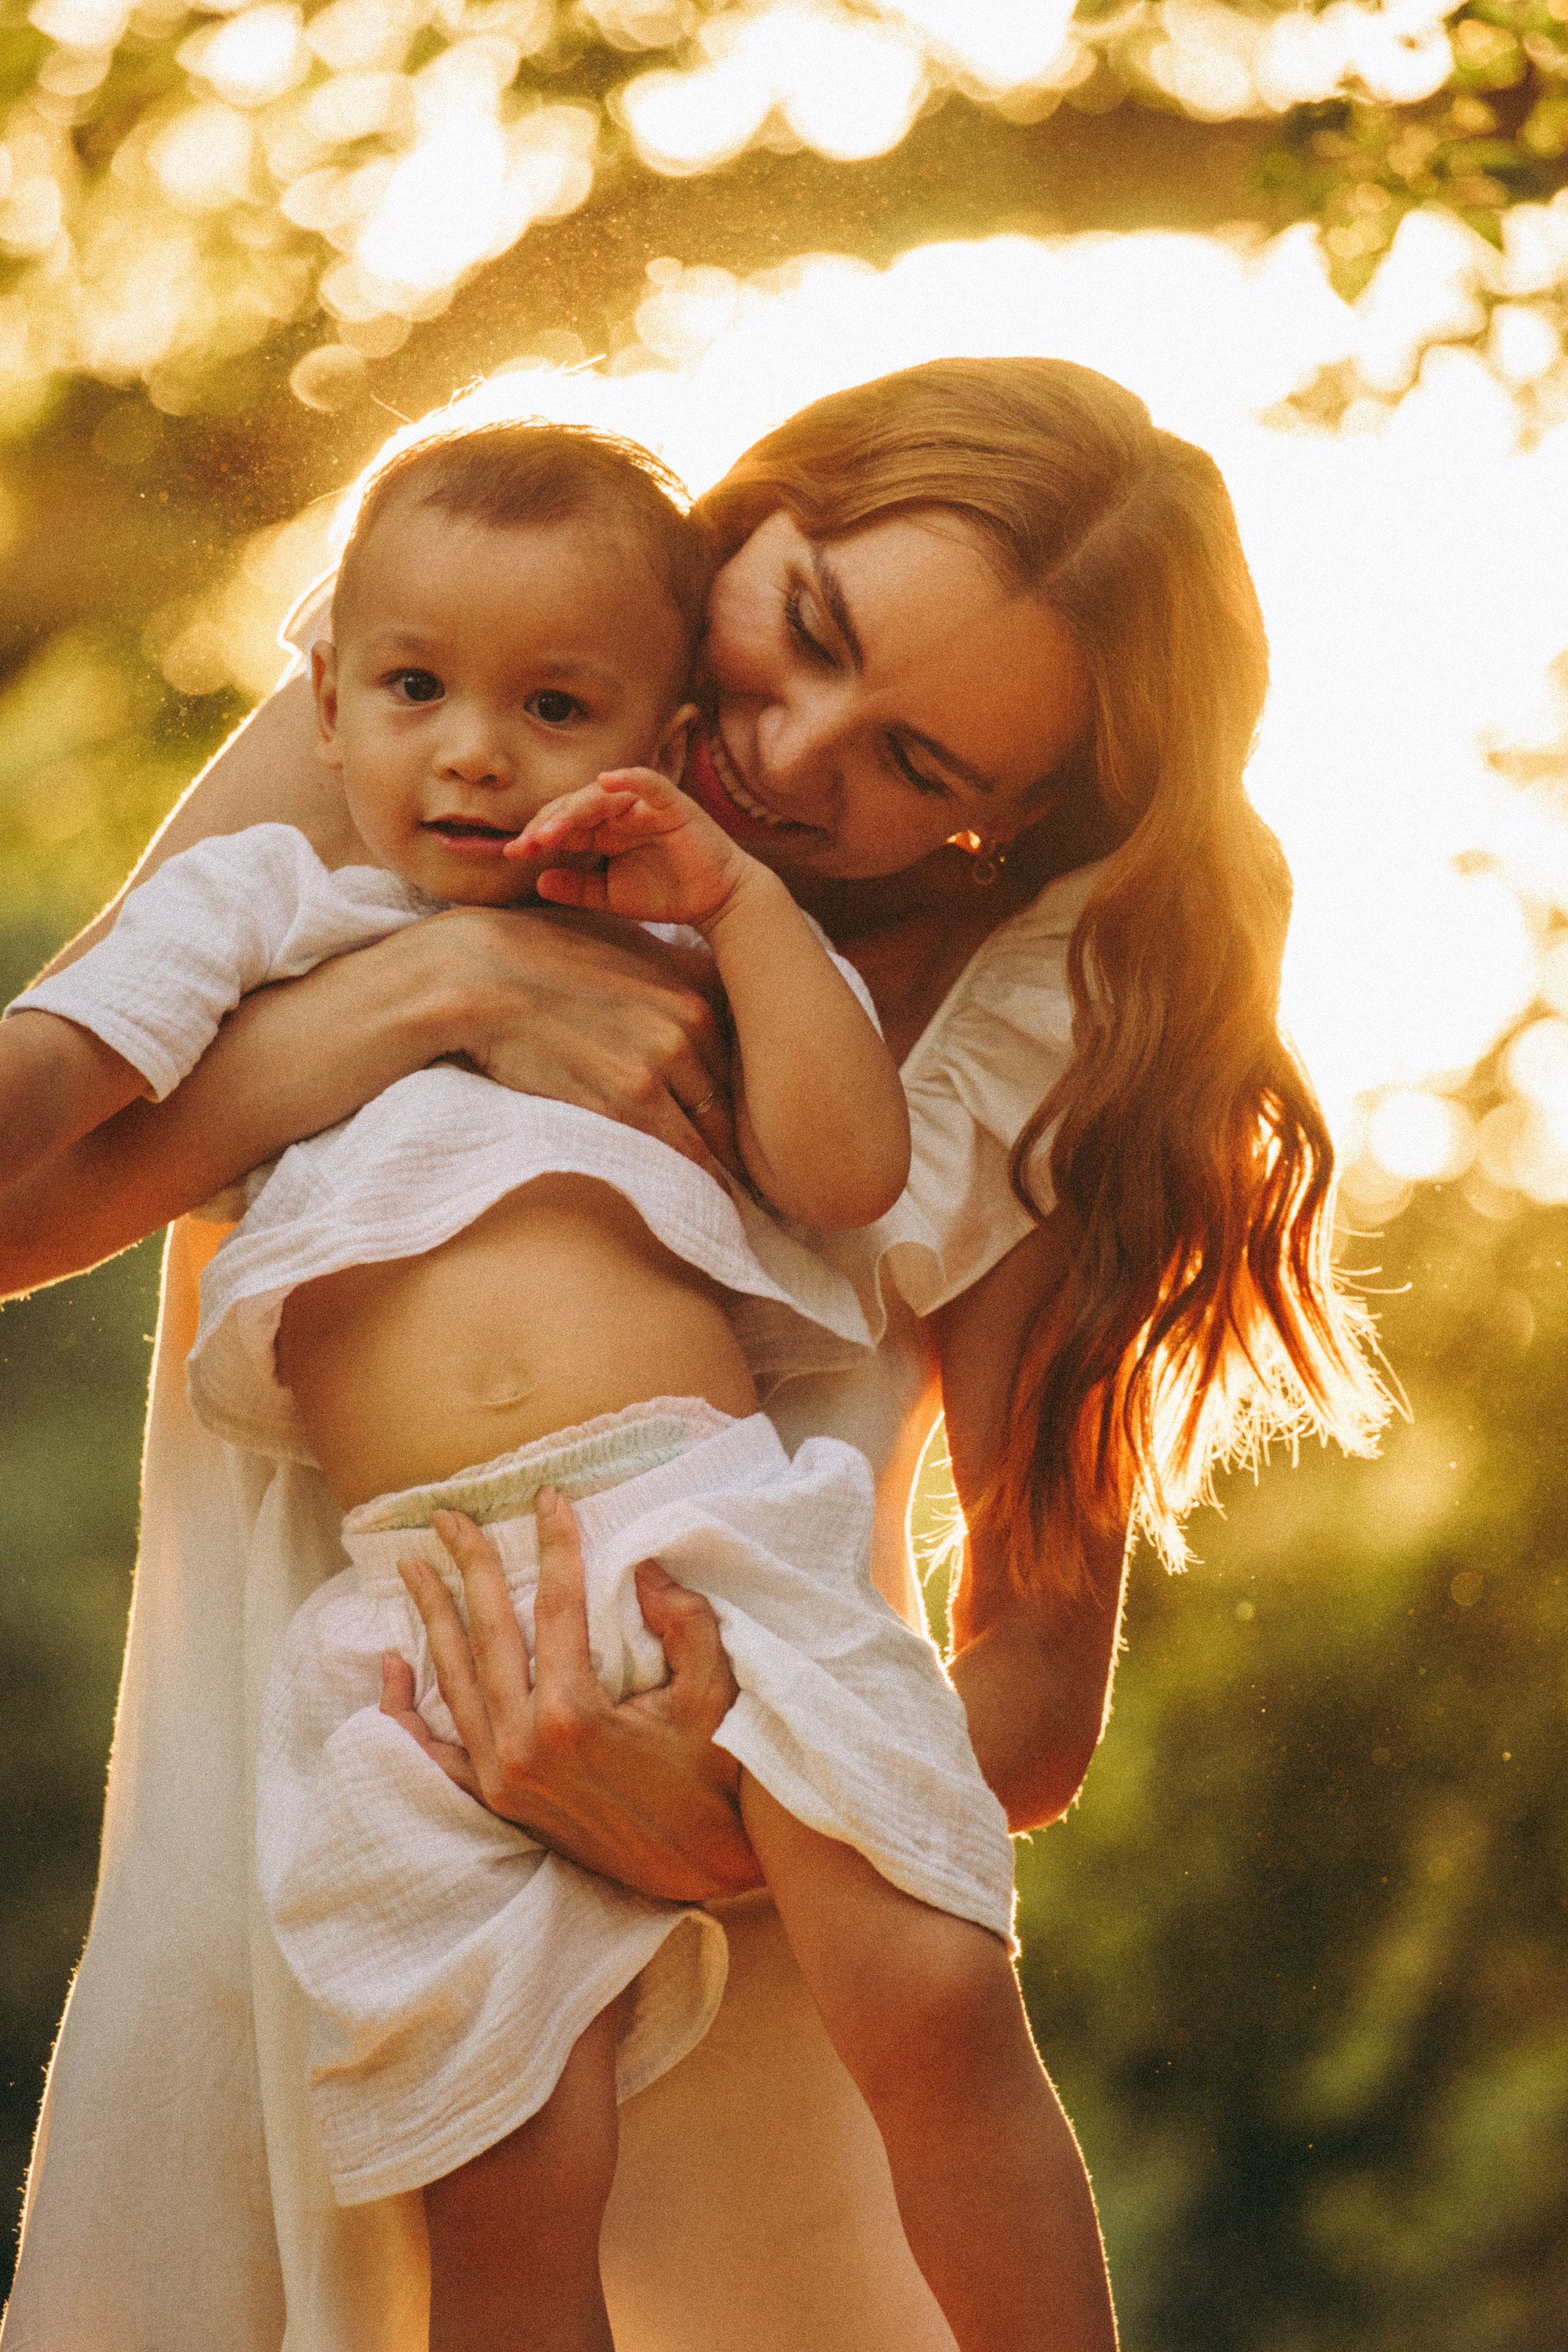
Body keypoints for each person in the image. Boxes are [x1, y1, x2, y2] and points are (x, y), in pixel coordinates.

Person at [0, 356, 1385, 2352]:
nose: (802, 755)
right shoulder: (435, 709)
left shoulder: (1014, 1042)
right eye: (804, 628)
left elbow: (1037, 1683)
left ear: (1014, 828)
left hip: (760, 1965)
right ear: (764, 501)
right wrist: (439, 984)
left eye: (924, 767)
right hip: (325, 1827)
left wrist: (722, 1826)